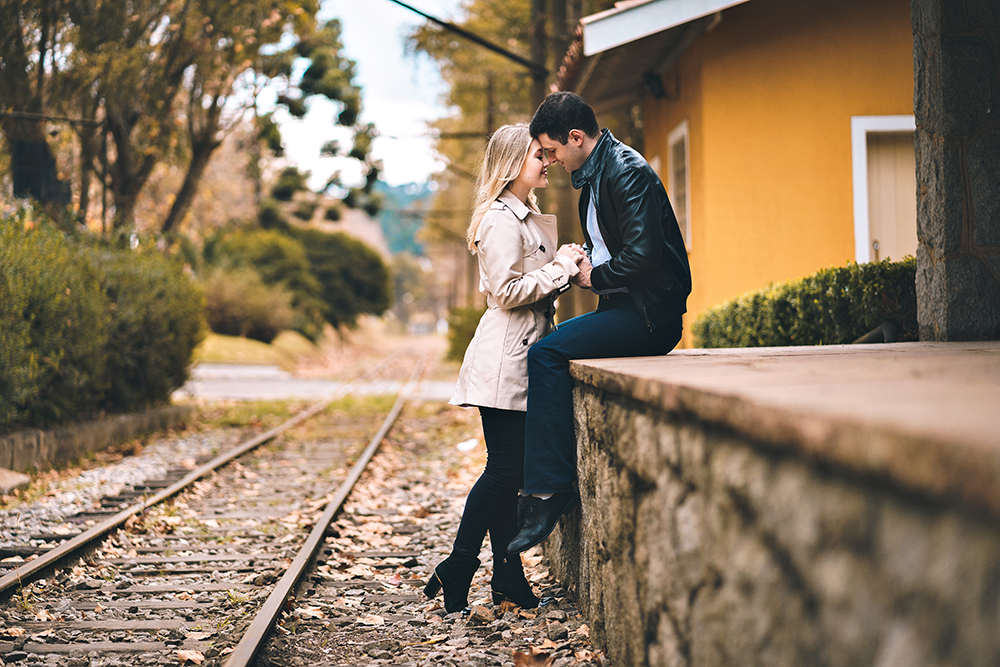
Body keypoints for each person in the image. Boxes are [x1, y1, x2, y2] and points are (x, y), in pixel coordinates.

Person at [506, 91, 692, 555]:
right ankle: (547, 483)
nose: (549, 160)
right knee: (552, 345)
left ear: (575, 138)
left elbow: (646, 258)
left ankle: (549, 491)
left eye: (551, 151)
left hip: (650, 316)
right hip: (624, 307)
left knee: (544, 353)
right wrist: (586, 262)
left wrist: (596, 274)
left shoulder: (624, 171)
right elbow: (622, 247)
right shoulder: (595, 173)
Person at [424, 123, 585, 614]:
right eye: (538, 154)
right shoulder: (499, 219)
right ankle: (460, 564)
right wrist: (560, 267)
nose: (547, 161)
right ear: (513, 162)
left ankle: (506, 576)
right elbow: (506, 292)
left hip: (522, 352)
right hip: (505, 358)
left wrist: (562, 266)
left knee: (509, 471)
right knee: (504, 470)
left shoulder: (526, 216)